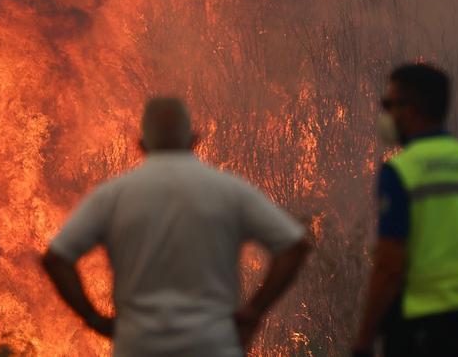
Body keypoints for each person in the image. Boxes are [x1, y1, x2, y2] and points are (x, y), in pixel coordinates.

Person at [42, 97, 312, 356]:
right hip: (211, 345)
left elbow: (57, 259)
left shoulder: (113, 196)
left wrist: (94, 319)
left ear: (142, 145)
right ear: (195, 140)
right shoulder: (229, 190)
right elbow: (294, 247)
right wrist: (255, 310)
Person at [351, 64, 458, 357]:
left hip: (418, 332)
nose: (386, 113)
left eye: (389, 104)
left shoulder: (402, 171)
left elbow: (389, 266)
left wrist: (363, 341)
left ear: (411, 109)